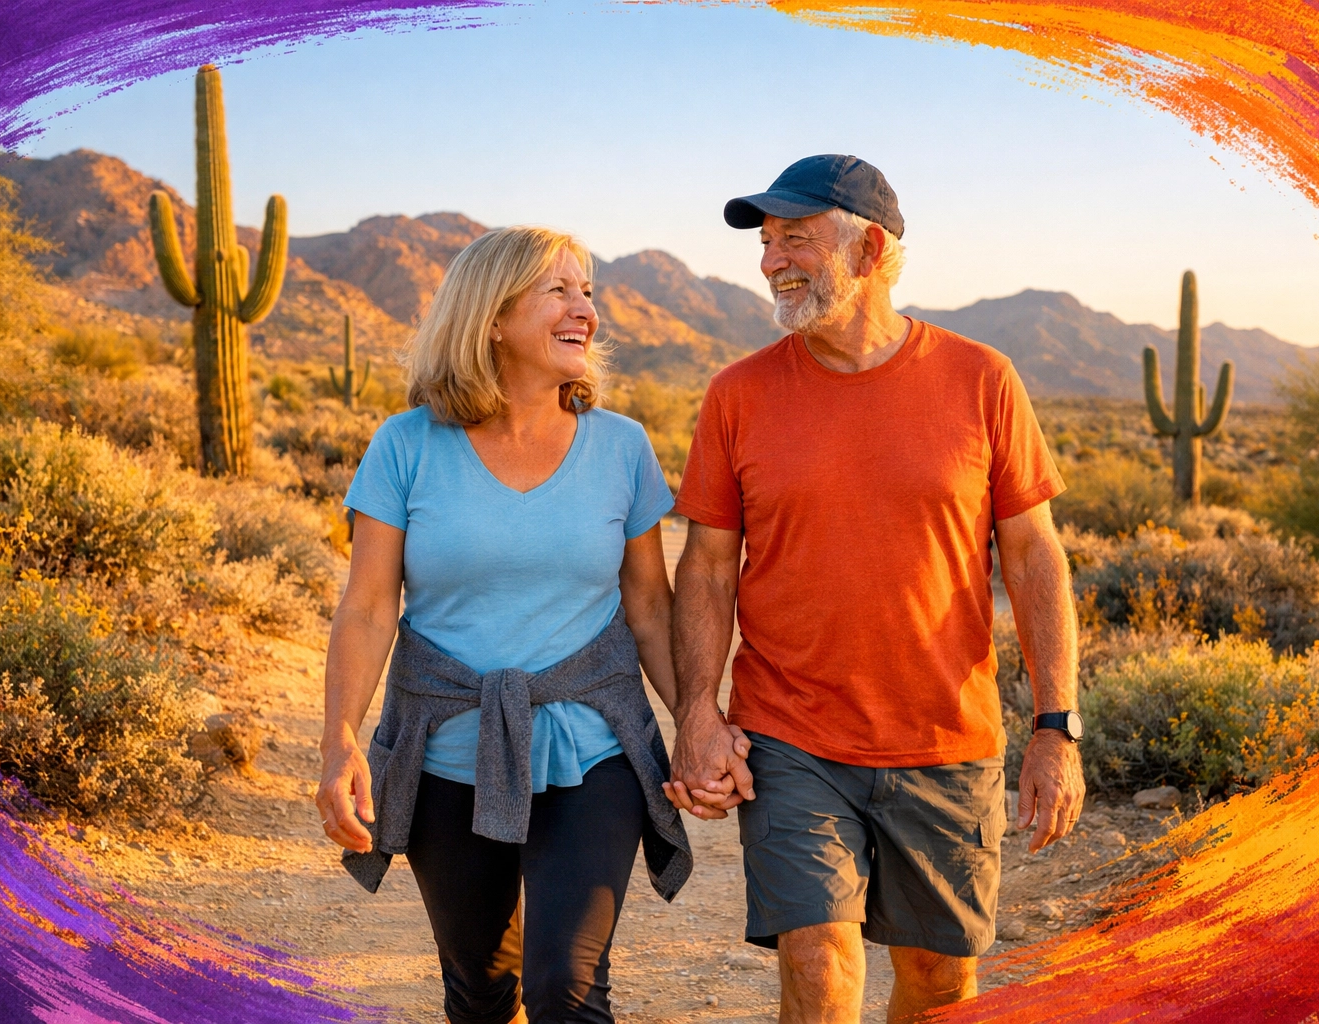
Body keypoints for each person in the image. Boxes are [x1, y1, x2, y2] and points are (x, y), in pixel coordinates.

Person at [662, 155, 1087, 1022]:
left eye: (795, 239)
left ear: (870, 249)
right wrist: (698, 713)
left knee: (938, 985)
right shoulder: (738, 393)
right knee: (820, 969)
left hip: (945, 739)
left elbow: (1036, 558)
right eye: (767, 242)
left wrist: (1056, 725)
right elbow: (706, 564)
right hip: (793, 736)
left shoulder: (982, 380)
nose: (772, 260)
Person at [314, 225, 748, 1024]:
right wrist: (340, 734)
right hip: (446, 749)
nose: (584, 306)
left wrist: (699, 717)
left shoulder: (621, 447)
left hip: (593, 749)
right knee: (482, 992)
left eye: (587, 290)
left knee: (567, 987)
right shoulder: (405, 446)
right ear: (492, 319)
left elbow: (649, 604)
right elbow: (369, 605)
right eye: (559, 290)